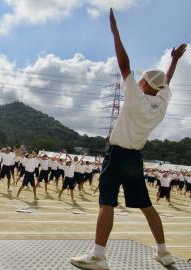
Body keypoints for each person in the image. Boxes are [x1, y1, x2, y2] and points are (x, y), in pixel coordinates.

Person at [71, 8, 186, 270]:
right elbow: (165, 82)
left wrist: (115, 32)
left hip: (118, 155)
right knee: (147, 207)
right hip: (135, 159)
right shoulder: (162, 102)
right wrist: (174, 60)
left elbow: (124, 65)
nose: (141, 79)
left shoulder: (136, 97)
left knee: (106, 203)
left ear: (144, 84)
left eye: (143, 78)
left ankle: (98, 256)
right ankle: (164, 253)